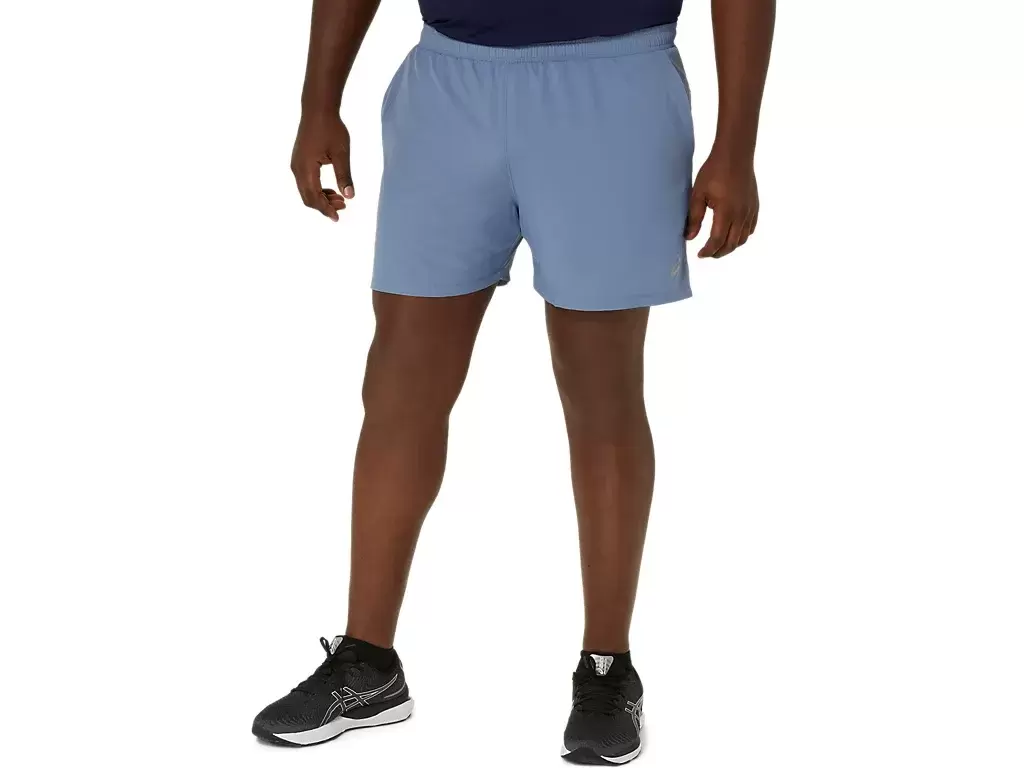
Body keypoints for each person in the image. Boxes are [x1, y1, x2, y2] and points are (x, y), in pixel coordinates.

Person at [252, 0, 774, 762]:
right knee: (398, 384)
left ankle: (607, 669)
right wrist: (318, 101)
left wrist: (737, 144)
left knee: (601, 391)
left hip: (614, 78)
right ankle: (367, 661)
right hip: (448, 81)